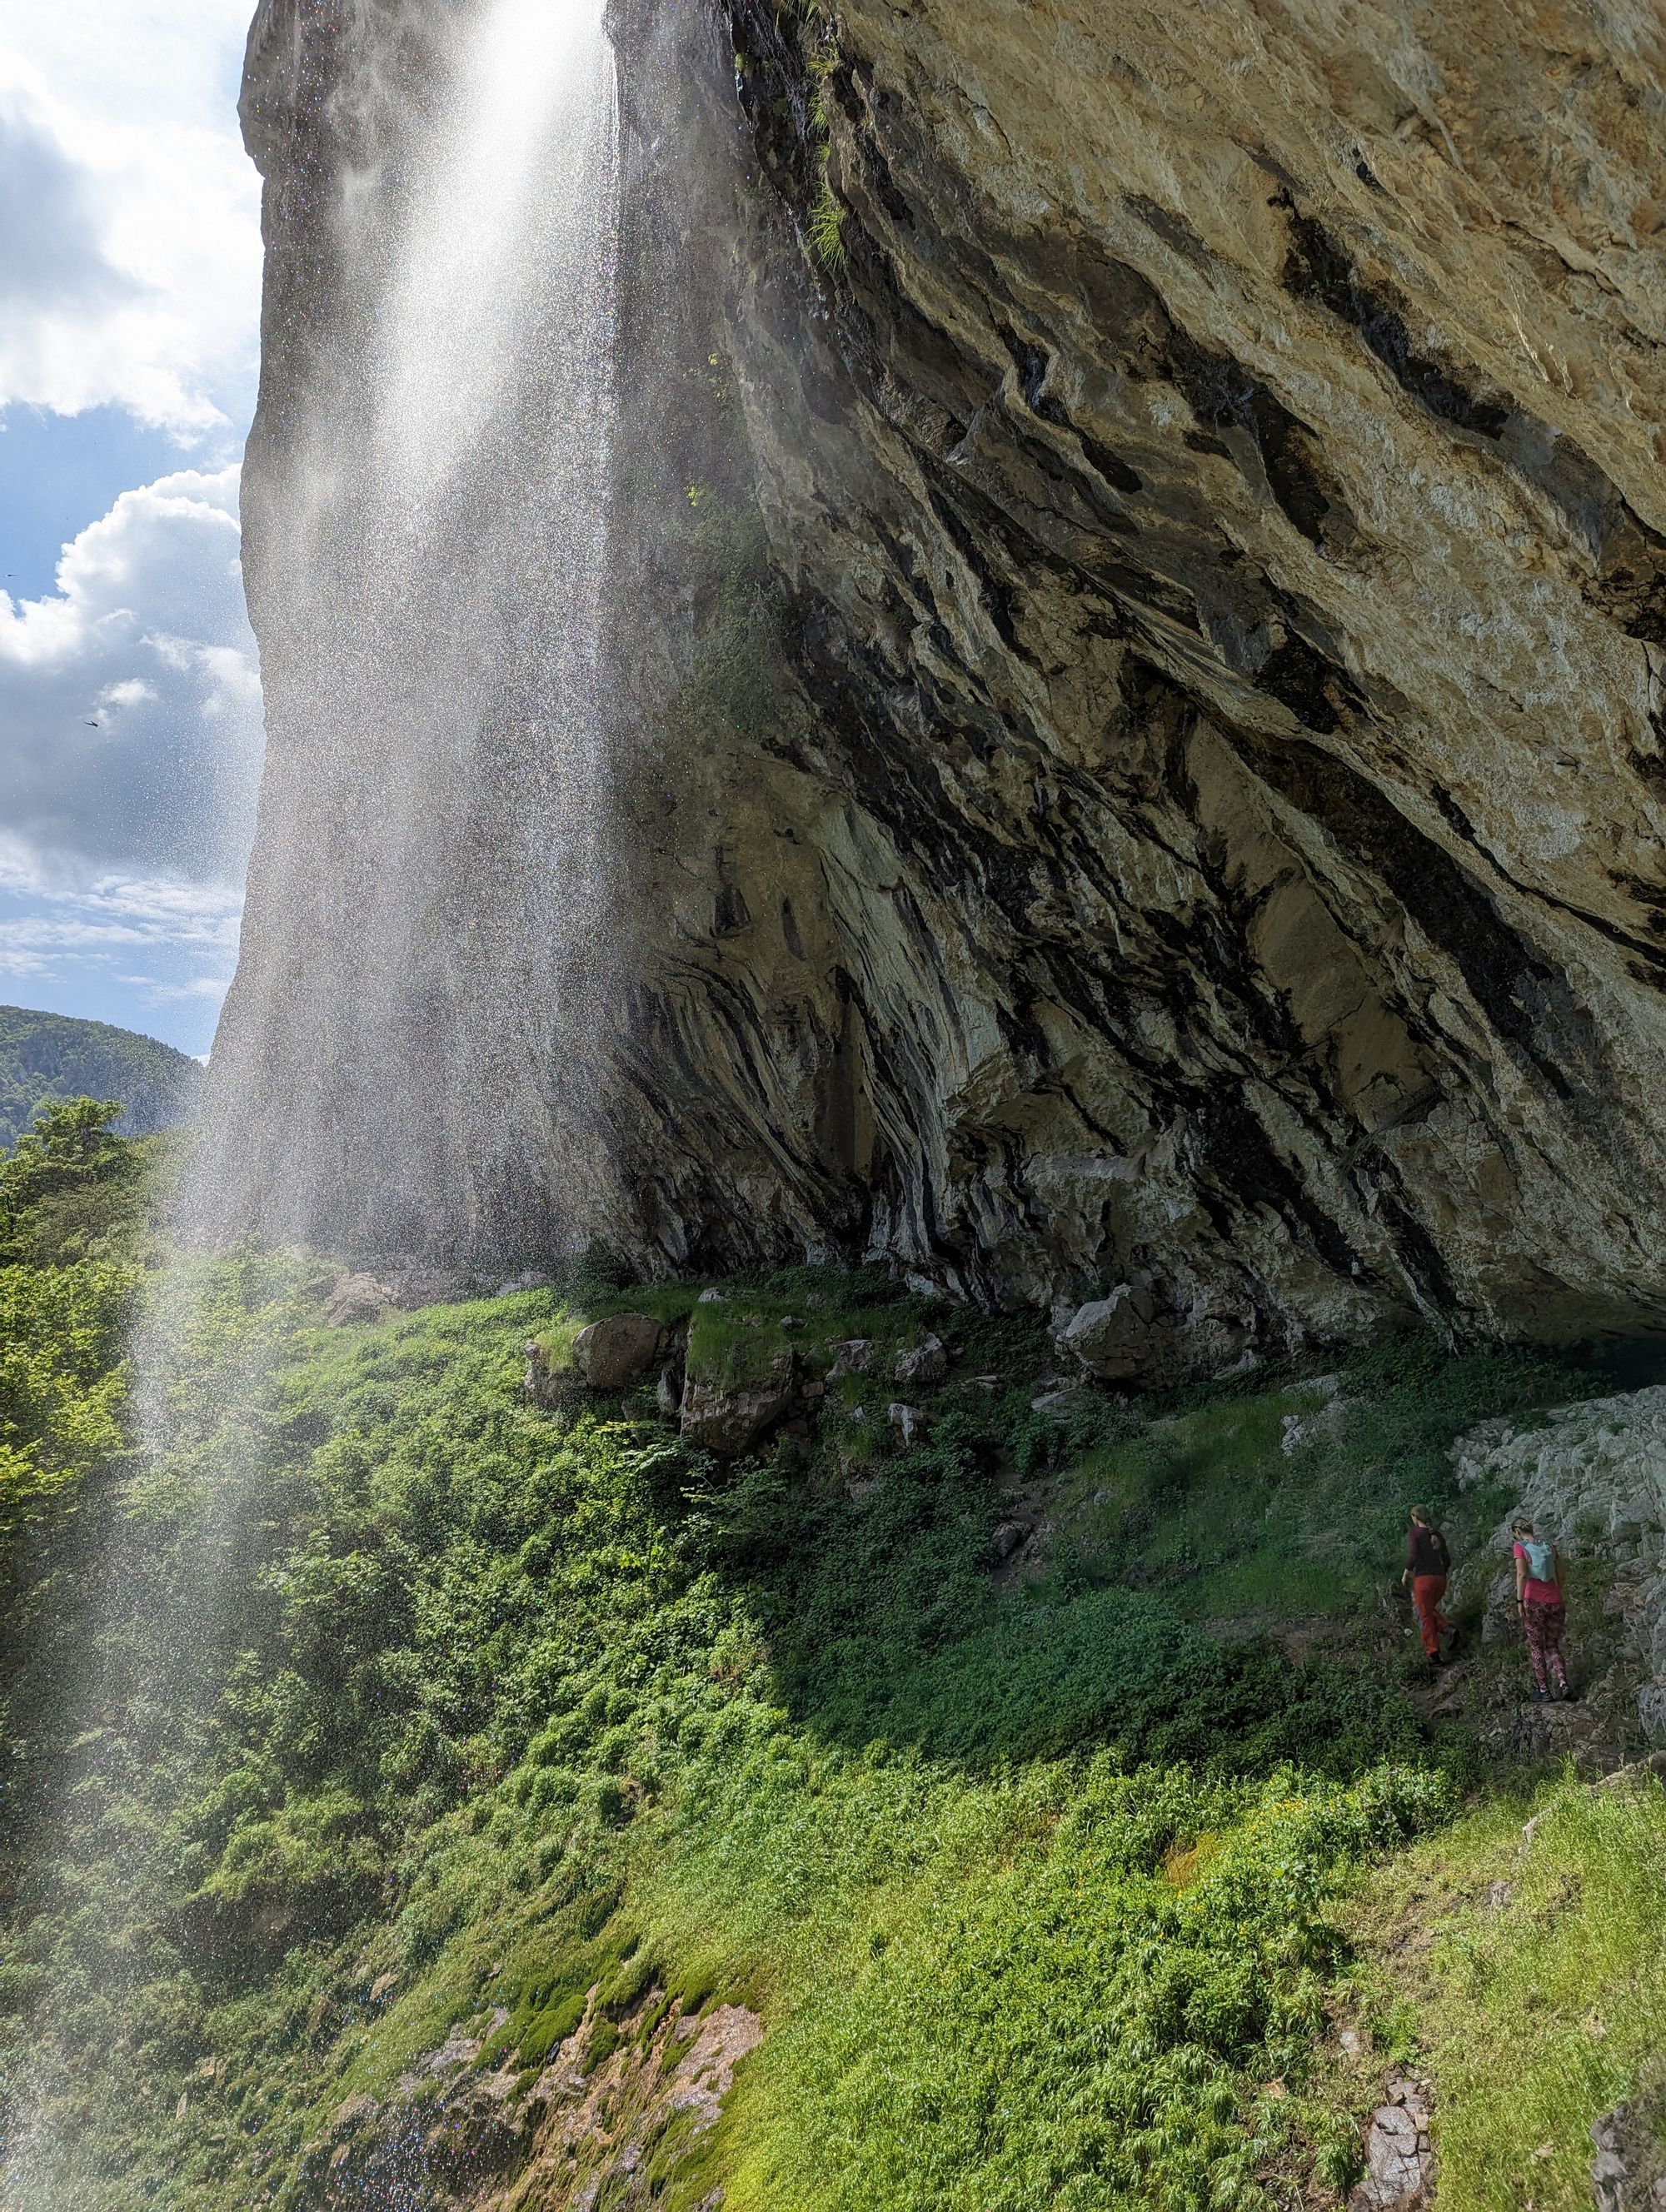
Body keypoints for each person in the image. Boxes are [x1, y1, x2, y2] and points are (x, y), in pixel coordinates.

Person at [1512, 1517, 1571, 1701]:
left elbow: (1522, 1574)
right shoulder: (1549, 1546)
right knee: (1553, 1645)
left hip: (1533, 1601)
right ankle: (1563, 1684)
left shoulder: (1519, 1546)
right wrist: (1555, 1591)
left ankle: (1544, 1691)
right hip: (1555, 1600)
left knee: (1537, 1646)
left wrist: (1520, 1601)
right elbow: (1561, 1574)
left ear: (1516, 1532)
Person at [1402, 1506, 1453, 1662]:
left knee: (1425, 1616)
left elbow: (1413, 1556)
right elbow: (1447, 1559)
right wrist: (1440, 1572)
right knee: (1427, 1610)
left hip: (1424, 1581)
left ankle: (1433, 1653)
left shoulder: (1415, 1534)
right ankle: (1447, 1630)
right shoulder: (1436, 1534)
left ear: (1414, 1517)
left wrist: (1405, 1574)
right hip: (1440, 1580)